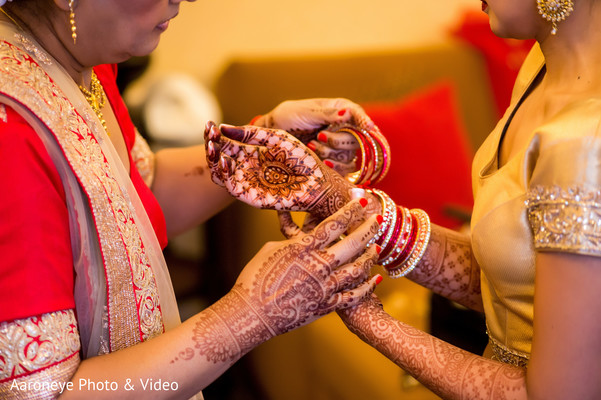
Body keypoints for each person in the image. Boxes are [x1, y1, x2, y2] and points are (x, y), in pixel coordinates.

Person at [205, 0, 601, 398]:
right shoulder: (540, 67)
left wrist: (366, 315)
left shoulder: (584, 144)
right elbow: (514, 287)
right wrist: (340, 199)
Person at [0, 0, 385, 398]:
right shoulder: (10, 133)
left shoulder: (84, 62)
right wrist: (250, 314)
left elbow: (135, 200)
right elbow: (47, 394)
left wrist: (264, 147)